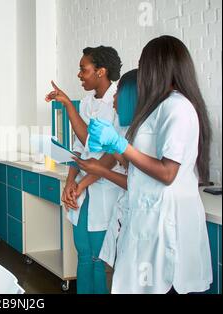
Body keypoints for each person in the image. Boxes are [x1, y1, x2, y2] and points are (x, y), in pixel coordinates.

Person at [86, 36, 213, 294]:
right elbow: (141, 169)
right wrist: (115, 149)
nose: (141, 72)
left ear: (159, 67)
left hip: (165, 225)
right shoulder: (159, 107)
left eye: (143, 65)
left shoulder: (177, 108)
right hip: (147, 220)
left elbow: (168, 172)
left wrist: (121, 147)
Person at [46, 46, 123, 294]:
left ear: (101, 72)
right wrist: (71, 182)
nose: (79, 74)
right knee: (83, 252)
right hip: (83, 186)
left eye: (83, 69)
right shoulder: (88, 102)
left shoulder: (118, 100)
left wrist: (81, 184)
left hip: (105, 188)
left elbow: (111, 156)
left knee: (98, 258)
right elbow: (79, 147)